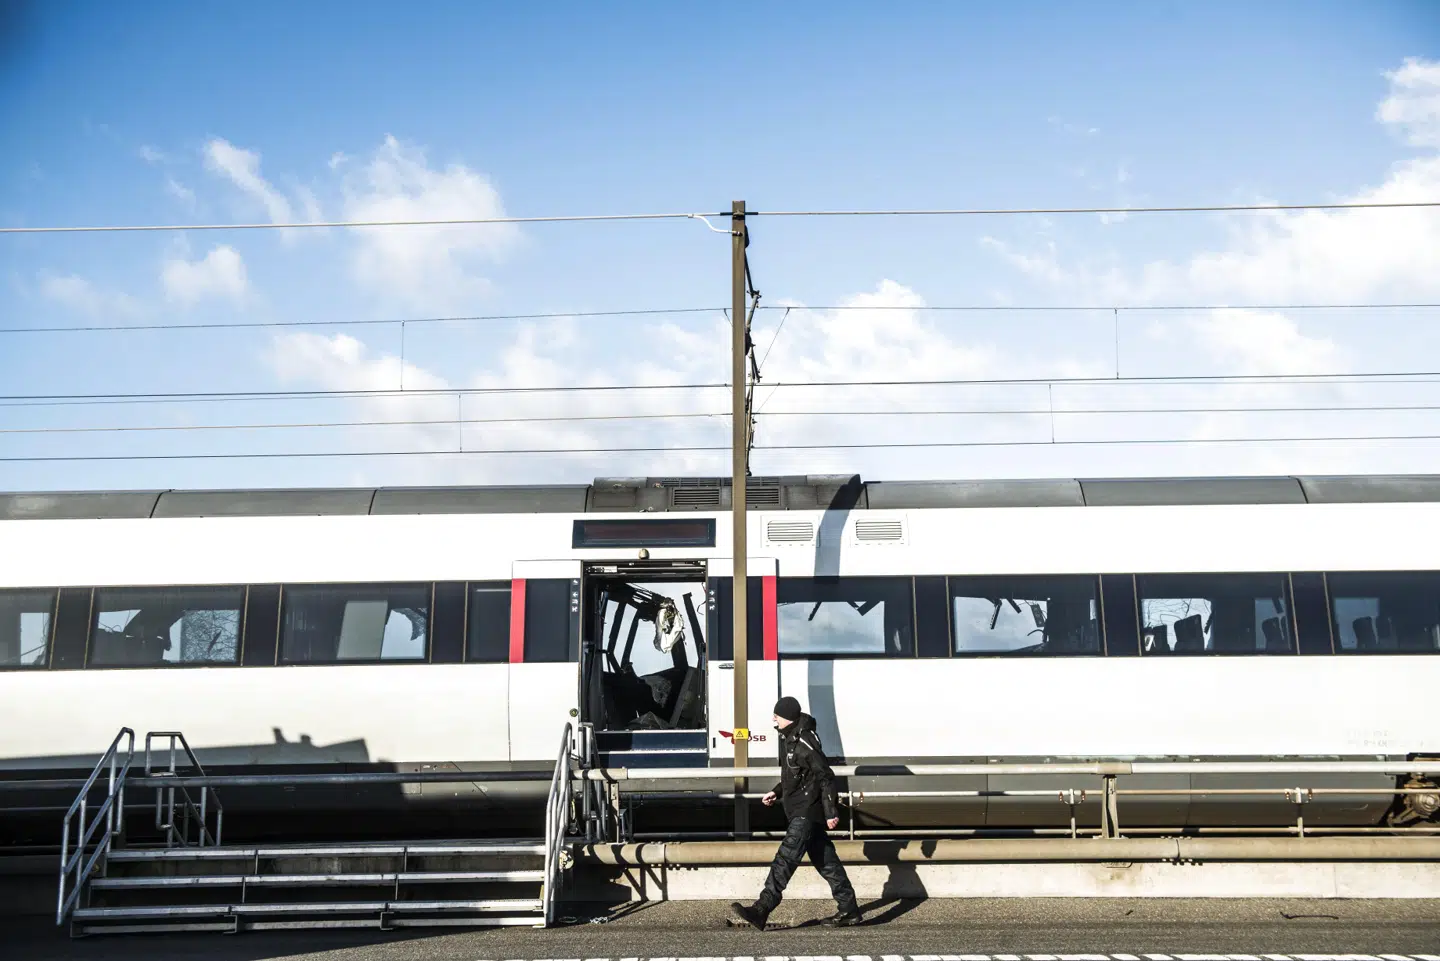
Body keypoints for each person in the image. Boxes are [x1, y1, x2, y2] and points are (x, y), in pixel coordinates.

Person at [729, 696, 861, 930]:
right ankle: (849, 910)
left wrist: (831, 812)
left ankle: (762, 908)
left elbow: (825, 776)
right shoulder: (791, 738)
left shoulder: (805, 742)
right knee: (827, 863)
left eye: (776, 715)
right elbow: (796, 777)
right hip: (801, 809)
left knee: (785, 859)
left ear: (787, 717)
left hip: (806, 812)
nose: (773, 719)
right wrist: (776, 792)